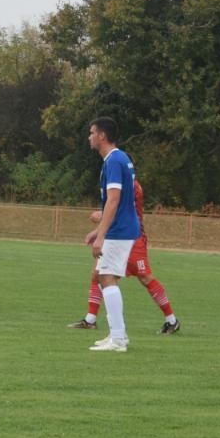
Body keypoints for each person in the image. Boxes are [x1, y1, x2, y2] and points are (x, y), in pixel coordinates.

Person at [69, 178, 180, 334]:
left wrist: (101, 215)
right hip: (117, 236)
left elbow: (122, 211)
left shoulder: (131, 185)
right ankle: (90, 319)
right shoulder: (121, 181)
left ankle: (172, 321)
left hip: (132, 237)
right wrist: (100, 230)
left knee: (145, 277)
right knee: (98, 273)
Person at [84, 117, 141, 352]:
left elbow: (114, 200)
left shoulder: (114, 160)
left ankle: (118, 338)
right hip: (121, 228)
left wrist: (101, 236)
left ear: (102, 136)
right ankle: (117, 335)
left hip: (120, 230)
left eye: (92, 133)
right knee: (104, 276)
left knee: (106, 277)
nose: (89, 137)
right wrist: (98, 231)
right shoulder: (118, 159)